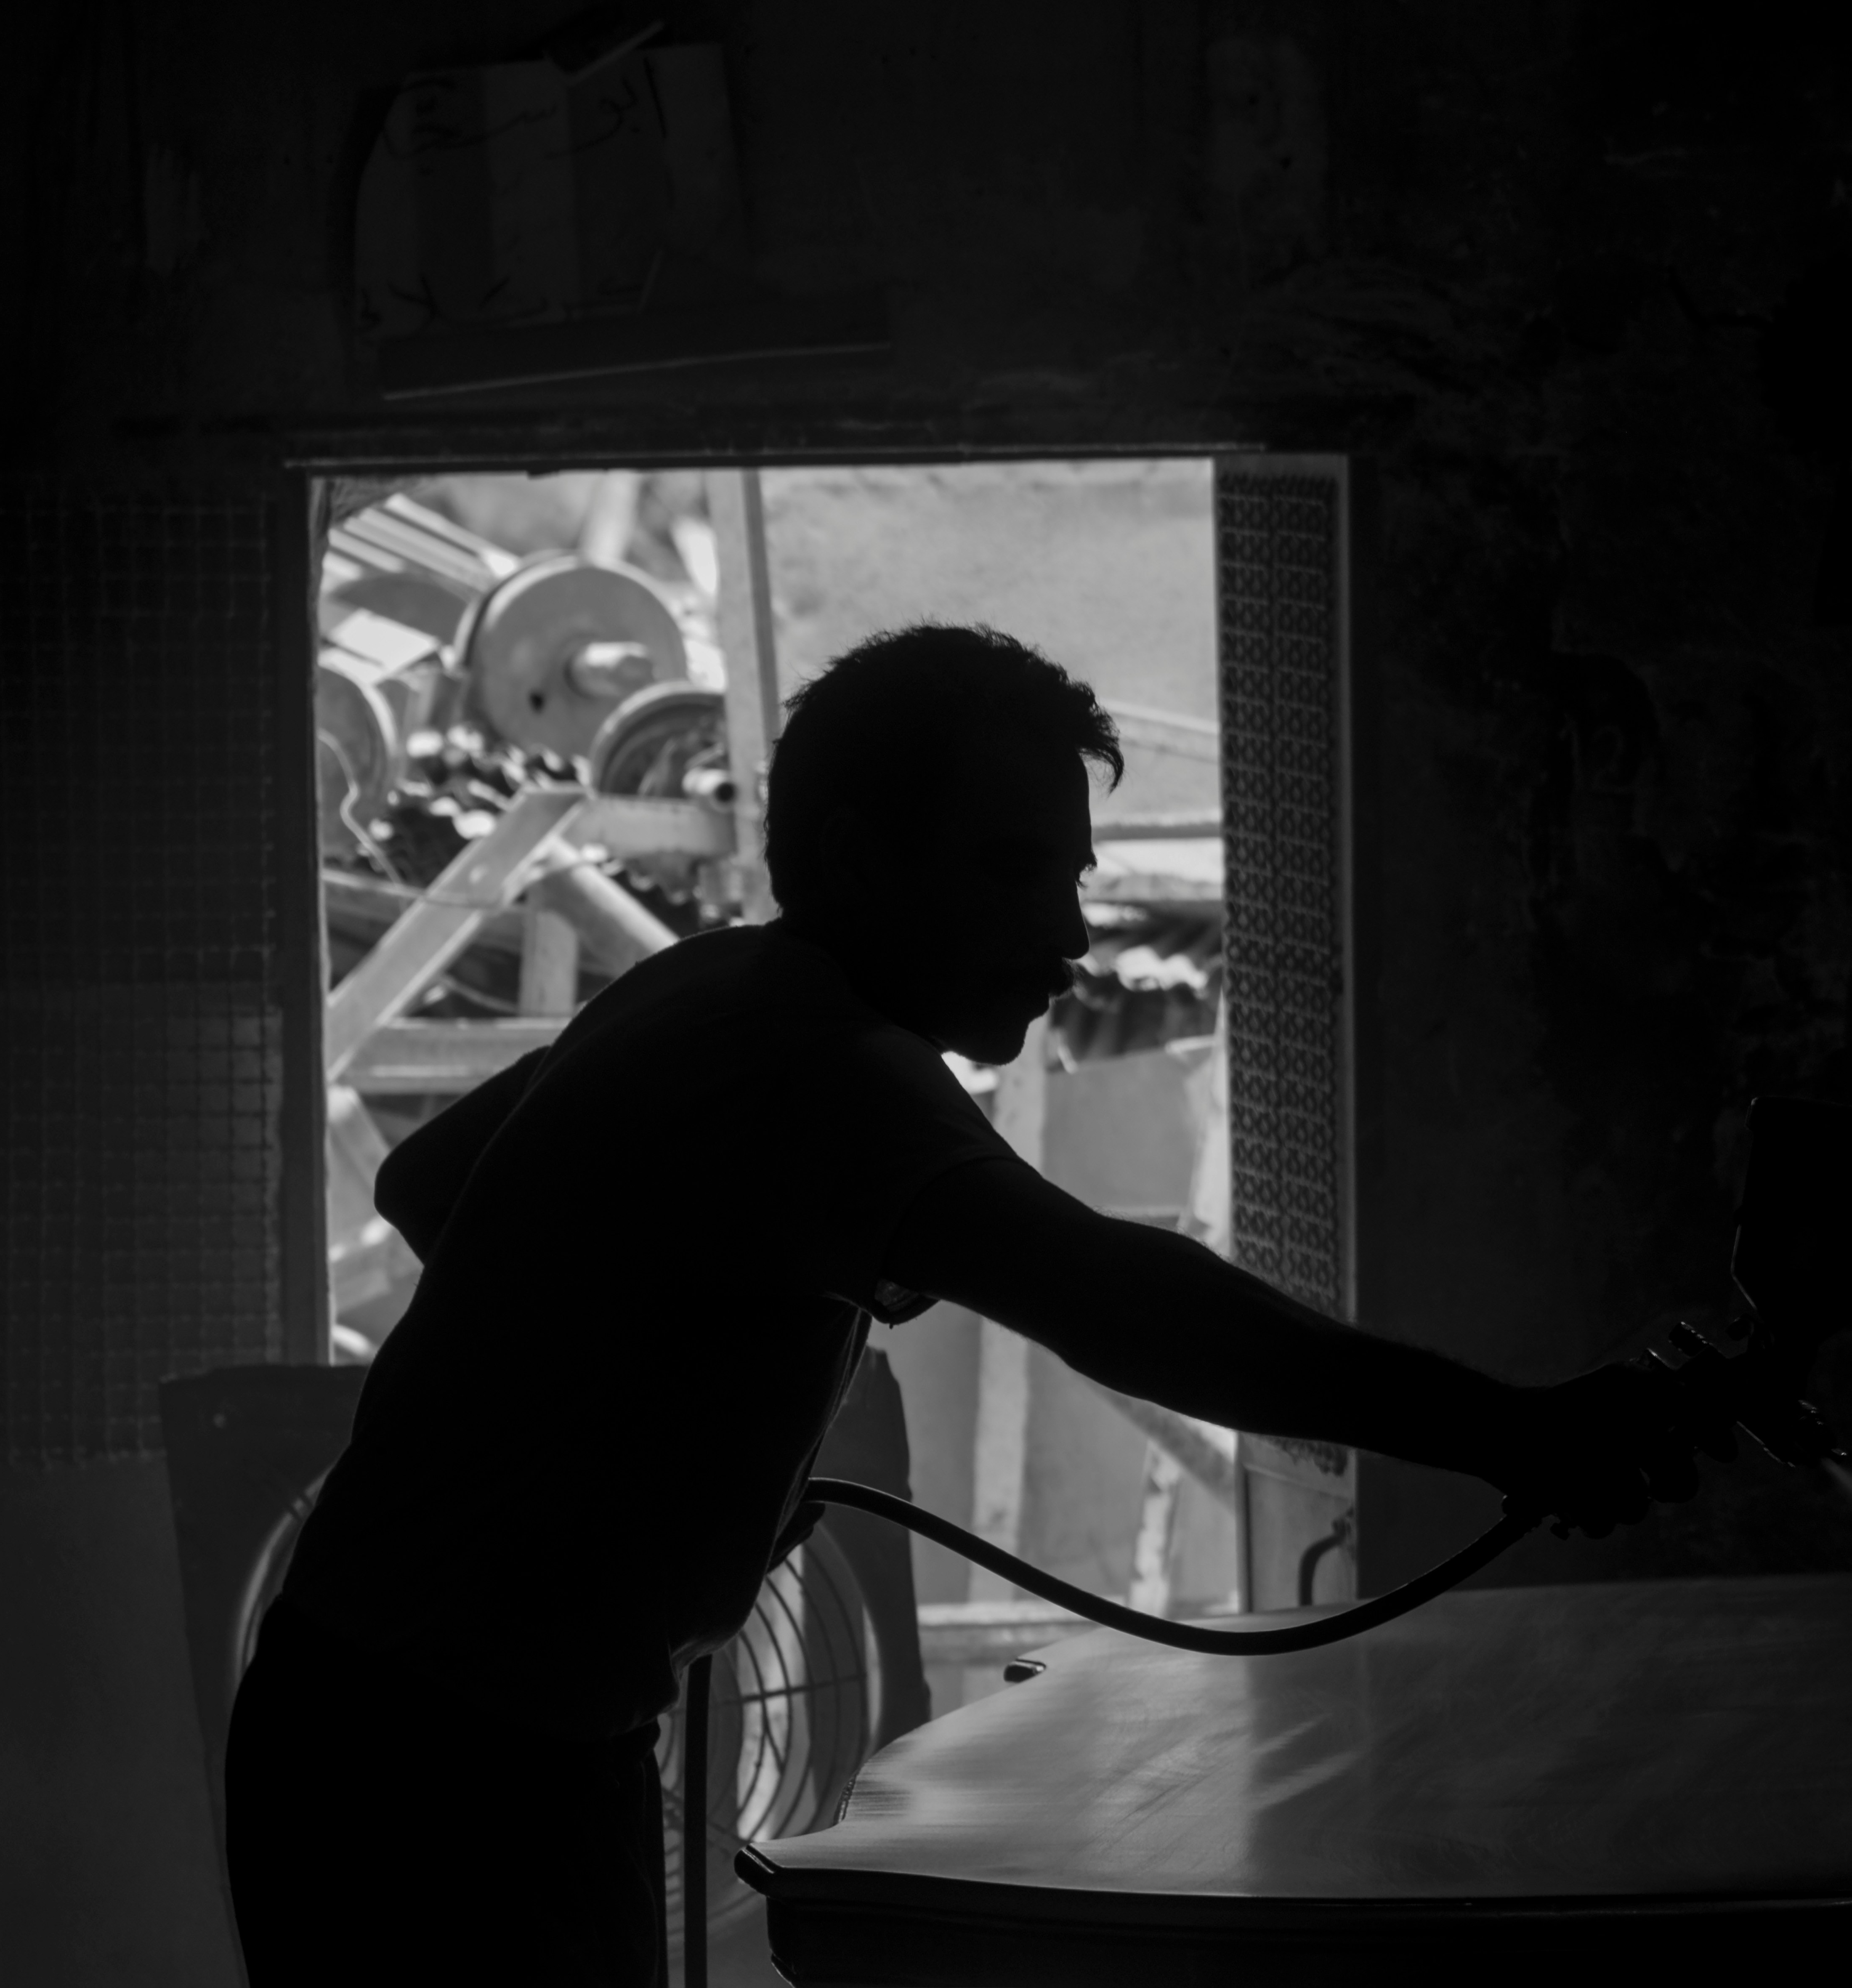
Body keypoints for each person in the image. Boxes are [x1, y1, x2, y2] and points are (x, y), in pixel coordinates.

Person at [224, 623, 1698, 1985]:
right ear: (863, 857)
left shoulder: (708, 985)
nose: (1068, 933)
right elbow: (1122, 1300)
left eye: (1074, 874)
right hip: (449, 1777)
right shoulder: (825, 1065)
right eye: (1016, 872)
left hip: (388, 1725)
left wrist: (661, 1422)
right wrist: (1515, 1431)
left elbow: (431, 1182)